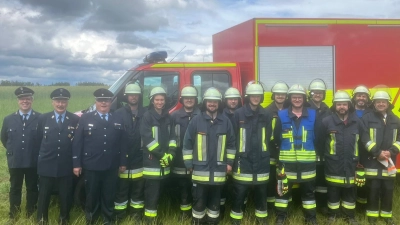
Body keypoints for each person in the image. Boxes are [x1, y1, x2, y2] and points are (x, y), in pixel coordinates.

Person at [72, 88, 128, 225]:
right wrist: (76, 164)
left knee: (109, 194)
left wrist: (123, 162)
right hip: (92, 164)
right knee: (92, 194)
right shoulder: (86, 118)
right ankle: (91, 219)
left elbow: (123, 142)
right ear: (96, 102)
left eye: (107, 101)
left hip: (111, 164)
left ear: (110, 102)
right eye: (100, 101)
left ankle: (107, 219)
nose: (104, 103)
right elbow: (77, 142)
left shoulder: (117, 117)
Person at [183, 87, 236, 225]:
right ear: (205, 102)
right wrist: (189, 165)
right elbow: (187, 144)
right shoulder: (196, 121)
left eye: (215, 102)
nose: (212, 104)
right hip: (200, 172)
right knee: (199, 204)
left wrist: (229, 162)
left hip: (218, 172)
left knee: (214, 205)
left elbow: (231, 144)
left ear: (219, 104)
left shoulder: (226, 122)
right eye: (210, 101)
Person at [319, 91, 368, 225]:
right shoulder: (326, 121)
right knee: (333, 190)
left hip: (352, 163)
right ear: (334, 105)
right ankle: (332, 215)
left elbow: (363, 142)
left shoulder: (357, 122)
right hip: (332, 164)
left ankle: (350, 216)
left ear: (349, 106)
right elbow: (320, 141)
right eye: (339, 104)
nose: (342, 107)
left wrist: (361, 163)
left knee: (350, 190)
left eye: (344, 104)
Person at [274, 84, 318, 225]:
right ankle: (281, 217)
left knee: (308, 191)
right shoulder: (281, 115)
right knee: (283, 191)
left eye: (300, 97)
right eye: (294, 97)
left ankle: (310, 218)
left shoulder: (313, 114)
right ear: (290, 98)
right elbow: (276, 137)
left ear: (304, 99)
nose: (297, 99)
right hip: (287, 163)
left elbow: (319, 137)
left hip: (308, 162)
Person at [36, 88, 79, 225]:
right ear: (52, 102)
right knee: (44, 194)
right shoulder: (43, 118)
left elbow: (77, 143)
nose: (60, 104)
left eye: (63, 101)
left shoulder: (74, 119)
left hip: (66, 164)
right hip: (46, 163)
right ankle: (42, 219)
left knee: (65, 195)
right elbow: (38, 140)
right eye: (58, 101)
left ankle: (64, 219)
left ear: (67, 102)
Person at [230, 83, 271, 225]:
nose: (256, 98)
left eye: (258, 96)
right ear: (248, 97)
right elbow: (233, 136)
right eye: (253, 96)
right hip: (243, 160)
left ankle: (261, 218)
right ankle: (236, 219)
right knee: (239, 192)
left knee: (261, 192)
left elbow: (269, 136)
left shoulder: (266, 114)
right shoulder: (238, 114)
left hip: (261, 160)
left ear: (261, 97)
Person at [1, 87, 40, 224]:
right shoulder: (8, 119)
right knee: (15, 188)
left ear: (32, 100)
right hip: (15, 160)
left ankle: (31, 213)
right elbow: (4, 139)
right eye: (22, 98)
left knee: (32, 188)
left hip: (32, 160)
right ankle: (14, 215)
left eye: (28, 98)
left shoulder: (40, 118)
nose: (25, 101)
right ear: (18, 101)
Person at [360, 90, 399, 225]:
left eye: (383, 102)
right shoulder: (367, 118)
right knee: (373, 189)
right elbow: (364, 137)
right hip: (373, 161)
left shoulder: (395, 119)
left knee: (388, 189)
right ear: (374, 103)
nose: (381, 104)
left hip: (389, 161)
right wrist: (377, 152)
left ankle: (387, 216)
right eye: (378, 102)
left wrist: (391, 151)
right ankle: (372, 216)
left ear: (388, 104)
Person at [140, 87, 176, 224]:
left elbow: (173, 138)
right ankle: (150, 221)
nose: (160, 102)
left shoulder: (168, 117)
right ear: (152, 101)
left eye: (162, 99)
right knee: (151, 194)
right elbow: (148, 140)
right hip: (152, 163)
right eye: (157, 100)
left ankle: (154, 218)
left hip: (165, 163)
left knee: (159, 193)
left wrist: (171, 154)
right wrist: (163, 155)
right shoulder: (147, 117)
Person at [114, 84, 147, 221]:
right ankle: (120, 217)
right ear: (126, 96)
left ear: (139, 96)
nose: (133, 96)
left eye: (136, 94)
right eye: (131, 94)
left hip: (140, 159)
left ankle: (136, 217)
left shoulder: (146, 113)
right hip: (123, 159)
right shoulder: (118, 114)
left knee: (138, 191)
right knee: (121, 191)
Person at [170, 86, 200, 221]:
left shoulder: (201, 115)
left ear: (195, 100)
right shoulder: (174, 116)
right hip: (179, 159)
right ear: (182, 99)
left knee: (197, 189)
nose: (189, 100)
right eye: (186, 98)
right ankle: (184, 213)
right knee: (183, 188)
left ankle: (196, 212)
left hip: (199, 159)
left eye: (191, 98)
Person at [307, 79, 331, 214]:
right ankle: (310, 205)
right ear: (311, 93)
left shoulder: (328, 109)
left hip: (324, 150)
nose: (318, 94)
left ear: (323, 94)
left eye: (320, 92)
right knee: (310, 179)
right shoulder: (305, 108)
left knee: (322, 179)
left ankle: (322, 205)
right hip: (310, 149)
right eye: (315, 92)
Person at [265, 81, 289, 209]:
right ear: (273, 95)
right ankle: (270, 205)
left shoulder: (290, 110)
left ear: (286, 96)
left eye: (283, 94)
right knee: (270, 180)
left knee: (283, 178)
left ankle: (283, 204)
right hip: (271, 151)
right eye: (277, 94)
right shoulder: (267, 111)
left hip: (285, 149)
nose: (280, 96)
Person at [220, 87, 241, 217]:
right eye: (230, 99)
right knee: (222, 184)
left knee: (239, 185)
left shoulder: (244, 113)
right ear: (225, 100)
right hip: (224, 154)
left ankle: (237, 208)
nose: (233, 101)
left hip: (240, 155)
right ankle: (221, 210)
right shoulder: (221, 115)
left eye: (235, 99)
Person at [351, 85, 372, 209]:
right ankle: (350, 203)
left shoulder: (372, 112)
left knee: (364, 178)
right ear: (354, 98)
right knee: (350, 176)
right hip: (350, 148)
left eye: (364, 96)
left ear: (367, 98)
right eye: (359, 95)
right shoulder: (348, 110)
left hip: (365, 149)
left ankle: (362, 205)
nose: (361, 98)